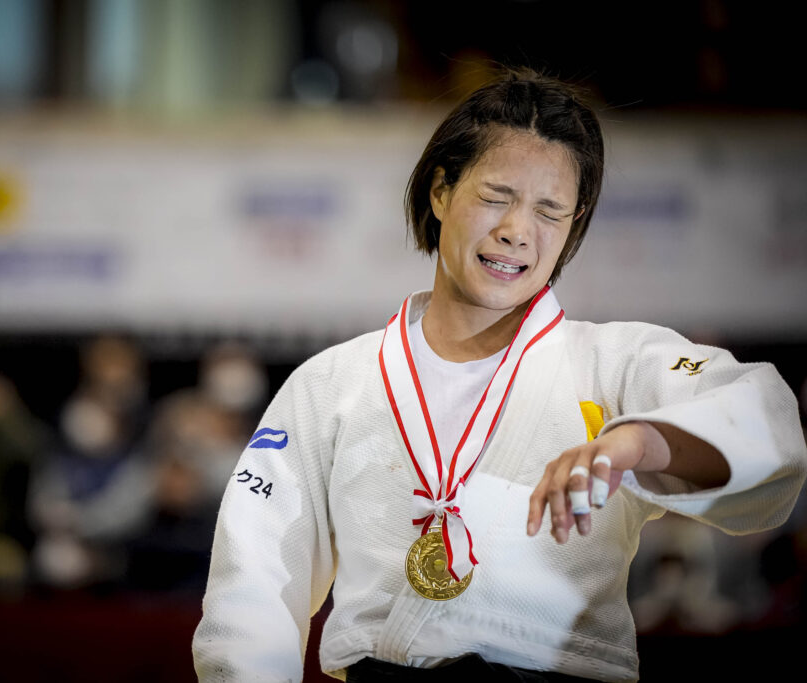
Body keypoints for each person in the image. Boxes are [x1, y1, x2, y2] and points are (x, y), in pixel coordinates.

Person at [192, 69, 807, 682]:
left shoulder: (612, 362)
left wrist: (639, 442)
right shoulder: (330, 384)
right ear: (441, 192)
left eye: (550, 210)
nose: (517, 230)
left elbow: (768, 421)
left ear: (574, 224)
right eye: (495, 196)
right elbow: (251, 590)